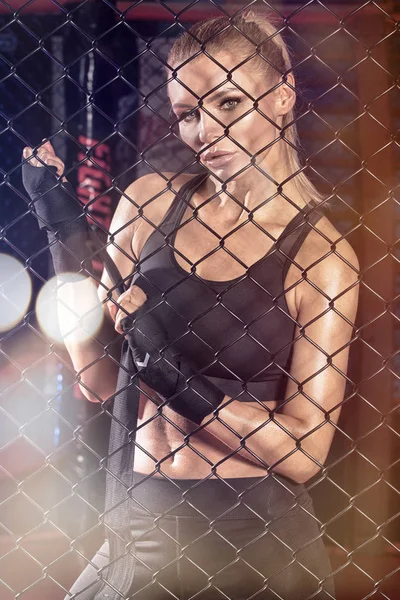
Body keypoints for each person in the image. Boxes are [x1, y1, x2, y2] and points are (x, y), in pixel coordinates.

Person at [22, 10, 359, 600]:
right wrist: (62, 233)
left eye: (229, 104)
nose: (206, 131)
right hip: (138, 524)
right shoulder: (149, 202)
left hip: (252, 540)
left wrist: (178, 383)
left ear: (281, 98)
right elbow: (99, 379)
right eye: (188, 114)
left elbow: (306, 450)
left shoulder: (321, 257)